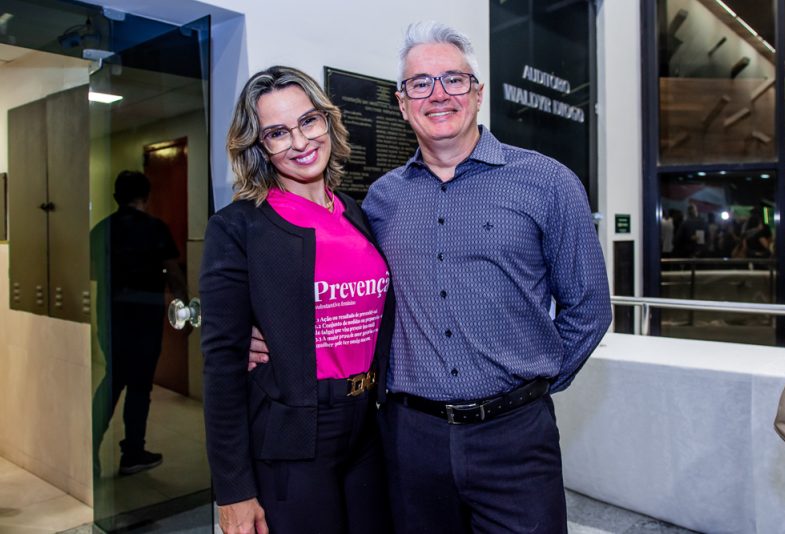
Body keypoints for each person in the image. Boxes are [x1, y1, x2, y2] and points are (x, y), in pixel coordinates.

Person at [362, 22, 610, 533]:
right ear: (402, 103)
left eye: (453, 79)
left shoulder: (548, 182)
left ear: (477, 94)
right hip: (412, 439)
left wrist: (530, 385)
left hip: (516, 438)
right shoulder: (381, 200)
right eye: (420, 83)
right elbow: (357, 301)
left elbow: (589, 307)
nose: (438, 95)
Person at [201, 66, 393, 534]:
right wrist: (233, 490)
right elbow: (222, 365)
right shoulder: (238, 227)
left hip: (367, 425)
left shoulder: (358, 213)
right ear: (258, 145)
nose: (300, 142)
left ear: (327, 121)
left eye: (309, 121)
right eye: (277, 133)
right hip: (291, 437)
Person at [91, 170, 186, 476]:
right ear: (146, 196)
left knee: (113, 380)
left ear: (116, 196)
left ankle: (89, 450)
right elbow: (173, 273)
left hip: (111, 313)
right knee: (139, 385)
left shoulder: (101, 229)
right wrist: (185, 311)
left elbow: (94, 273)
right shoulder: (155, 229)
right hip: (144, 316)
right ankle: (133, 452)